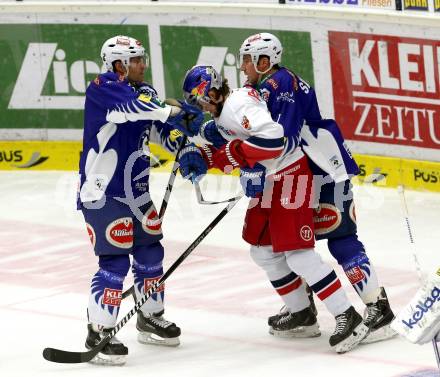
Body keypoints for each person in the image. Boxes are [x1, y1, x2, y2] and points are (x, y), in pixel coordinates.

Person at [177, 65, 369, 354]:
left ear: (214, 92)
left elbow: (273, 139)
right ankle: (301, 313)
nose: (200, 105)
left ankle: (348, 316)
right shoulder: (225, 112)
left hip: (291, 175)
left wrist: (228, 158)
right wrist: (200, 156)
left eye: (201, 98)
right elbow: (235, 142)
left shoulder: (238, 103)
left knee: (299, 256)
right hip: (272, 180)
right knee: (262, 250)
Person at [237, 32, 396, 344]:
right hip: (292, 175)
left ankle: (378, 309)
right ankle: (302, 311)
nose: (242, 66)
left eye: (246, 59)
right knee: (270, 246)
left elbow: (283, 137)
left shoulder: (281, 83)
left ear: (263, 60)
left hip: (322, 169)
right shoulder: (259, 87)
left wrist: (254, 167)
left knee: (340, 237)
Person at [77, 35, 203, 365]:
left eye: (142, 58)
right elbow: (134, 110)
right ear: (117, 64)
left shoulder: (145, 92)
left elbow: (156, 126)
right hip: (103, 193)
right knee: (115, 263)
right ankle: (99, 330)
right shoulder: (103, 87)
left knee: (151, 253)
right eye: (135, 60)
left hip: (138, 192)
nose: (142, 64)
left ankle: (150, 316)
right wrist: (174, 110)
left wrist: (182, 144)